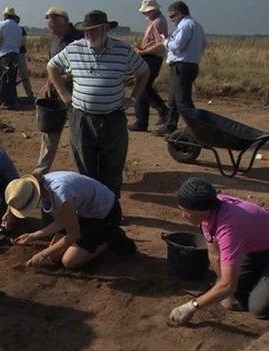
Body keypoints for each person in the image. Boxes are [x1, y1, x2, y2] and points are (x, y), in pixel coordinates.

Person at [47, 10, 149, 197]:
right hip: (82, 118)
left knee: (113, 167)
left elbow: (143, 71)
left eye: (93, 30)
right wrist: (64, 95)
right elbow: (52, 67)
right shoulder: (74, 49)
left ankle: (110, 210)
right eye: (86, 31)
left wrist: (134, 97)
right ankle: (91, 209)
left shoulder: (123, 50)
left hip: (113, 118)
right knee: (86, 168)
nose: (88, 35)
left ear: (105, 29)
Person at [169, 178, 269, 325]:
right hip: (258, 247)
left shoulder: (230, 229)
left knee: (258, 308)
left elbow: (228, 285)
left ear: (198, 211)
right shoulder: (210, 210)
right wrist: (227, 292)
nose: (182, 215)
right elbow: (215, 255)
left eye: (184, 211)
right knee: (230, 291)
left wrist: (191, 307)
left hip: (259, 247)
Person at [4, 171, 134, 269]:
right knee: (54, 256)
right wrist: (32, 236)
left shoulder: (60, 195)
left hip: (105, 214)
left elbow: (74, 234)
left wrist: (41, 254)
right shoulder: (45, 187)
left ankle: (111, 238)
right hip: (85, 213)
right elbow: (62, 221)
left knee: (69, 261)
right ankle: (93, 240)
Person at [34, 7, 83, 175]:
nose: (51, 30)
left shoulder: (79, 39)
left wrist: (60, 79)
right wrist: (49, 82)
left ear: (65, 23)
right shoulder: (54, 39)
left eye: (54, 27)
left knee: (79, 136)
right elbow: (52, 65)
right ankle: (41, 171)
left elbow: (83, 68)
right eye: (50, 27)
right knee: (50, 131)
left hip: (77, 95)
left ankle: (86, 174)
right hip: (56, 94)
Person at [154, 1, 207, 136]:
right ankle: (170, 125)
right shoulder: (197, 25)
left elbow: (178, 45)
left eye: (172, 16)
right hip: (190, 65)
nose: (171, 20)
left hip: (182, 66)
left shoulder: (185, 25)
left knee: (183, 101)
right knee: (173, 99)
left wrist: (165, 41)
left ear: (180, 13)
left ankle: (199, 129)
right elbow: (203, 44)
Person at [129, 0, 169, 132]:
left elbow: (161, 44)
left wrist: (143, 51)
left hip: (152, 58)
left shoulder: (158, 22)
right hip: (149, 57)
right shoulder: (154, 21)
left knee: (144, 86)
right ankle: (142, 121)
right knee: (142, 87)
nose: (144, 14)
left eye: (146, 11)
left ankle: (162, 110)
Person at [0, 7, 22, 109]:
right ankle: (13, 101)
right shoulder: (18, 28)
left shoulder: (1, 25)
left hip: (4, 55)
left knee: (3, 79)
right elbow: (19, 43)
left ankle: (5, 102)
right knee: (13, 79)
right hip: (15, 55)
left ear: (5, 15)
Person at [15, 16, 35, 103]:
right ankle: (14, 95)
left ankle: (30, 95)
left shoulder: (20, 29)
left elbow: (23, 42)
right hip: (14, 54)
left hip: (18, 54)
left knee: (23, 75)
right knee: (13, 76)